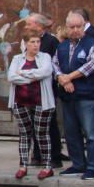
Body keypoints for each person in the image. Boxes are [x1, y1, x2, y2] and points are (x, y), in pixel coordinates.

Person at [53, 11, 94, 180]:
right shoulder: (62, 46)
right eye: (71, 27)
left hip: (87, 96)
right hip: (67, 97)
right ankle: (78, 164)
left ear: (84, 26)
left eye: (78, 26)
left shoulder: (92, 44)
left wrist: (70, 76)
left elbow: (93, 65)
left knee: (91, 133)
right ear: (67, 28)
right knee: (71, 132)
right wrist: (62, 79)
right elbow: (55, 64)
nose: (75, 30)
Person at [7, 30, 56, 180]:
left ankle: (47, 166)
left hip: (42, 100)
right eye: (32, 42)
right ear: (26, 44)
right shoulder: (17, 58)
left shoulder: (45, 57)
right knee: (24, 133)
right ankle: (23, 165)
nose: (35, 45)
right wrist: (30, 78)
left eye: (37, 42)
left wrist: (23, 73)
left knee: (41, 133)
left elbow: (45, 72)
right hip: (20, 101)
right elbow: (11, 76)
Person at [26, 12, 65, 167]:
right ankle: (37, 155)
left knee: (50, 123)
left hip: (47, 88)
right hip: (32, 88)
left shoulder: (51, 41)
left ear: (39, 25)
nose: (27, 27)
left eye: (30, 24)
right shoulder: (28, 41)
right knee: (34, 122)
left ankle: (55, 156)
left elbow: (54, 65)